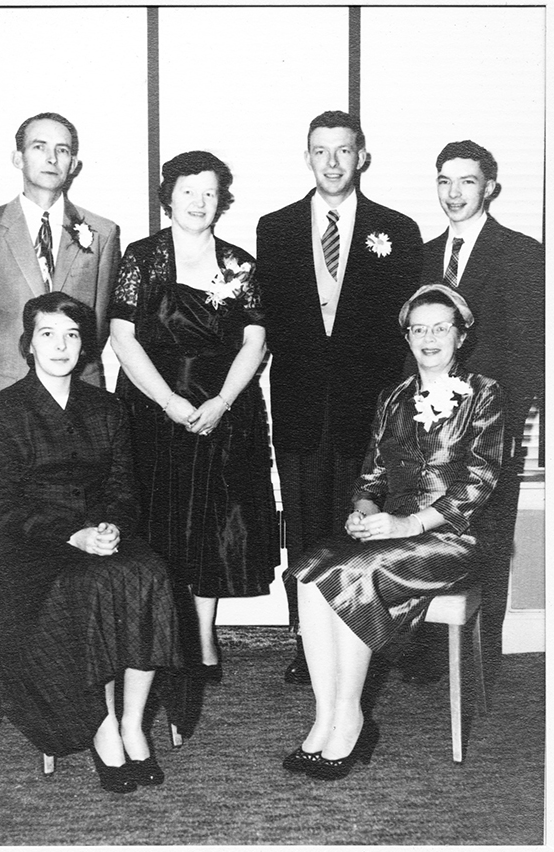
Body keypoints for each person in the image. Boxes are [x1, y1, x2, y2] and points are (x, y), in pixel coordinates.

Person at [282, 285, 504, 781]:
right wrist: (362, 511)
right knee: (309, 571)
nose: (429, 338)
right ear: (406, 336)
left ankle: (351, 719)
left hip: (452, 537)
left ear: (461, 335)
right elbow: (371, 476)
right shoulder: (394, 397)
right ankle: (326, 717)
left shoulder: (484, 394)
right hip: (390, 534)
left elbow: (480, 481)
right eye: (418, 328)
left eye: (440, 327)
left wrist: (409, 524)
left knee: (353, 573)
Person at [0, 292, 182, 794]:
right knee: (88, 586)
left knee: (147, 573)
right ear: (29, 344)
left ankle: (133, 722)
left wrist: (111, 526)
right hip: (32, 552)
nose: (61, 345)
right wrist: (73, 535)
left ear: (84, 346)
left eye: (72, 335)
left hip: (101, 537)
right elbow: (2, 502)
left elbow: (122, 486)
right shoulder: (5, 410)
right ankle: (103, 729)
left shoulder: (107, 408)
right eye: (48, 334)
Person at [256, 110, 423, 683]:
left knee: (360, 527)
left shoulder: (397, 230)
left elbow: (405, 334)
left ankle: (359, 648)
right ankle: (306, 646)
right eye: (320, 151)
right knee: (304, 532)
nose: (332, 162)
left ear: (362, 156)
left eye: (343, 151)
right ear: (307, 156)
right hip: (300, 408)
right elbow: (271, 323)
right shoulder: (273, 228)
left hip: (368, 414)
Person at [109, 151, 279, 685]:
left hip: (223, 410)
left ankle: (203, 637)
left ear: (221, 200)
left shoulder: (239, 263)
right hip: (155, 410)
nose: (199, 202)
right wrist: (168, 402)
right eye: (188, 191)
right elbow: (122, 336)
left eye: (210, 192)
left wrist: (222, 401)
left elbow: (255, 341)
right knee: (159, 522)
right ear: (169, 196)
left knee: (211, 524)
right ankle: (164, 633)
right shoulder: (142, 256)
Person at [409, 140, 545, 681]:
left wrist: (490, 422)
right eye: (444, 181)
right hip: (428, 430)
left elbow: (528, 352)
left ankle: (481, 660)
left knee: (487, 536)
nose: (454, 193)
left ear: (490, 186)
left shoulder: (522, 253)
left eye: (466, 181)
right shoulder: (422, 255)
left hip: (491, 430)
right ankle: (425, 656)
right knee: (426, 533)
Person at [0, 111, 121, 442]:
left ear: (73, 163)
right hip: (4, 395)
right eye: (39, 147)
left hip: (79, 397)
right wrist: (3, 382)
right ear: (17, 158)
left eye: (62, 150)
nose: (52, 158)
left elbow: (99, 323)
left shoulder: (102, 232)